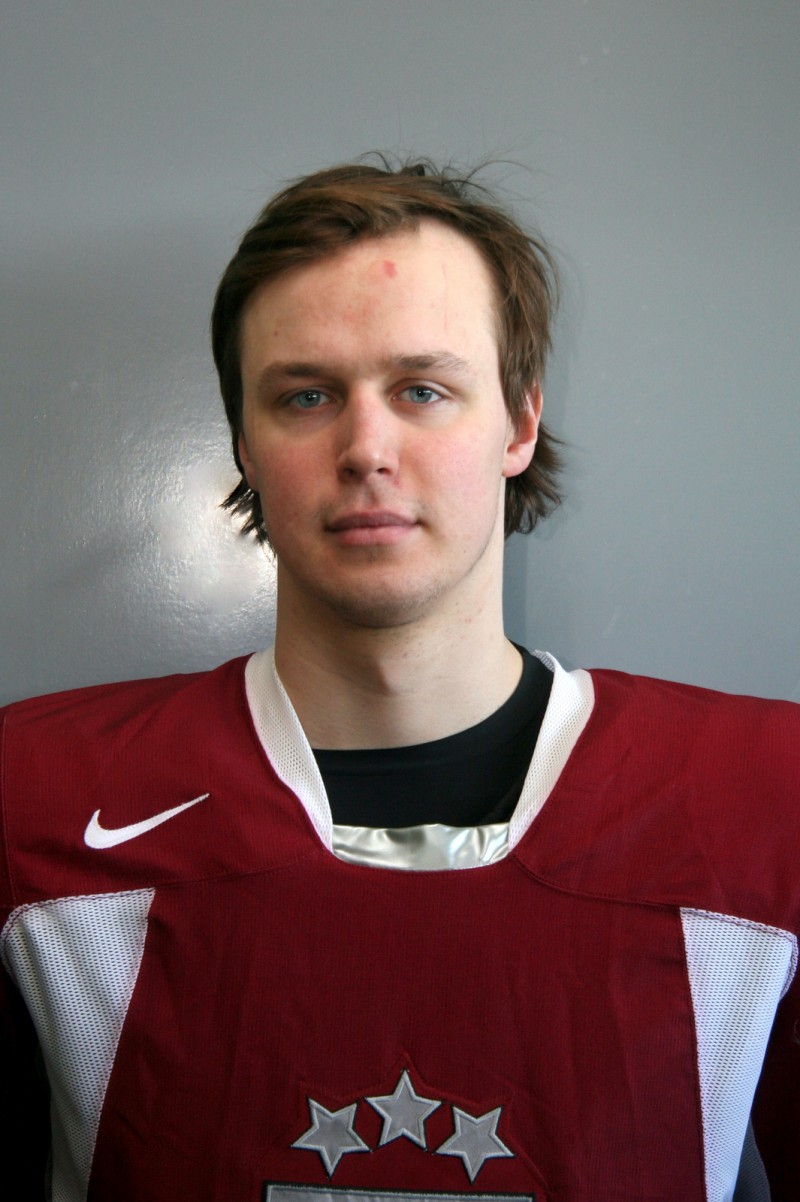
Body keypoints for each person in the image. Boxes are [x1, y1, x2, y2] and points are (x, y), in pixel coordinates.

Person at [1, 159, 798, 1202]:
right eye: (305, 395)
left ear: (517, 424)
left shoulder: (764, 800)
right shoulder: (36, 798)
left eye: (422, 389)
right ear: (244, 444)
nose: (366, 448)